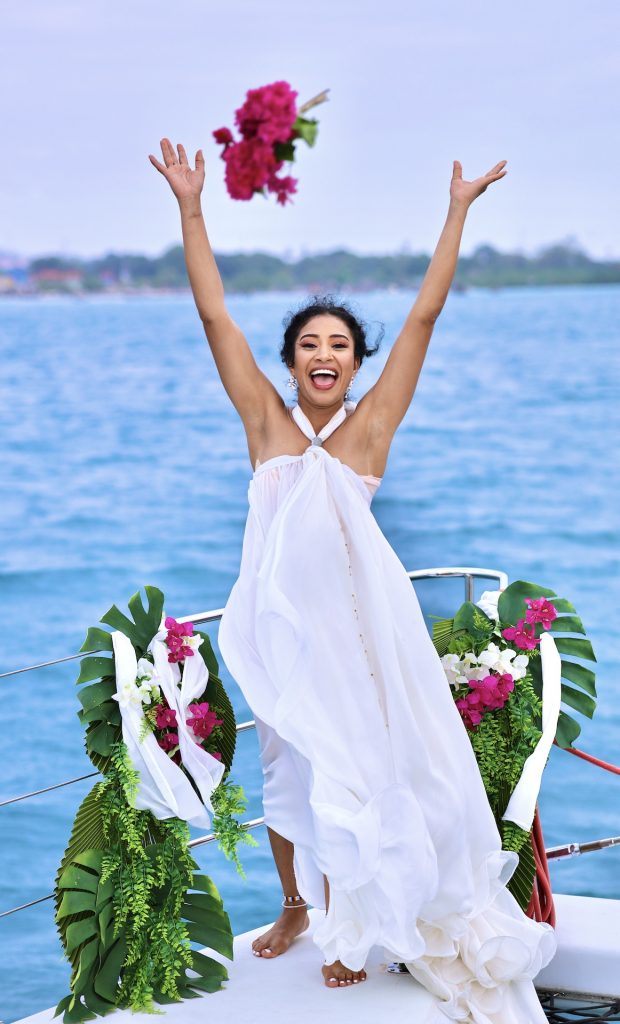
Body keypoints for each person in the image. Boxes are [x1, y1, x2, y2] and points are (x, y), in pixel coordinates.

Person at [149, 139, 557, 1018]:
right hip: (278, 628)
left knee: (346, 776)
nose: (323, 353)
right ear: (292, 363)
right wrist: (192, 206)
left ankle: (340, 924)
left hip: (358, 648)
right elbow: (216, 319)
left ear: (355, 364)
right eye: (308, 344)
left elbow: (424, 318)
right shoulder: (266, 425)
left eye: (338, 344)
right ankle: (297, 909)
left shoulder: (369, 432)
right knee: (284, 773)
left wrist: (457, 212)